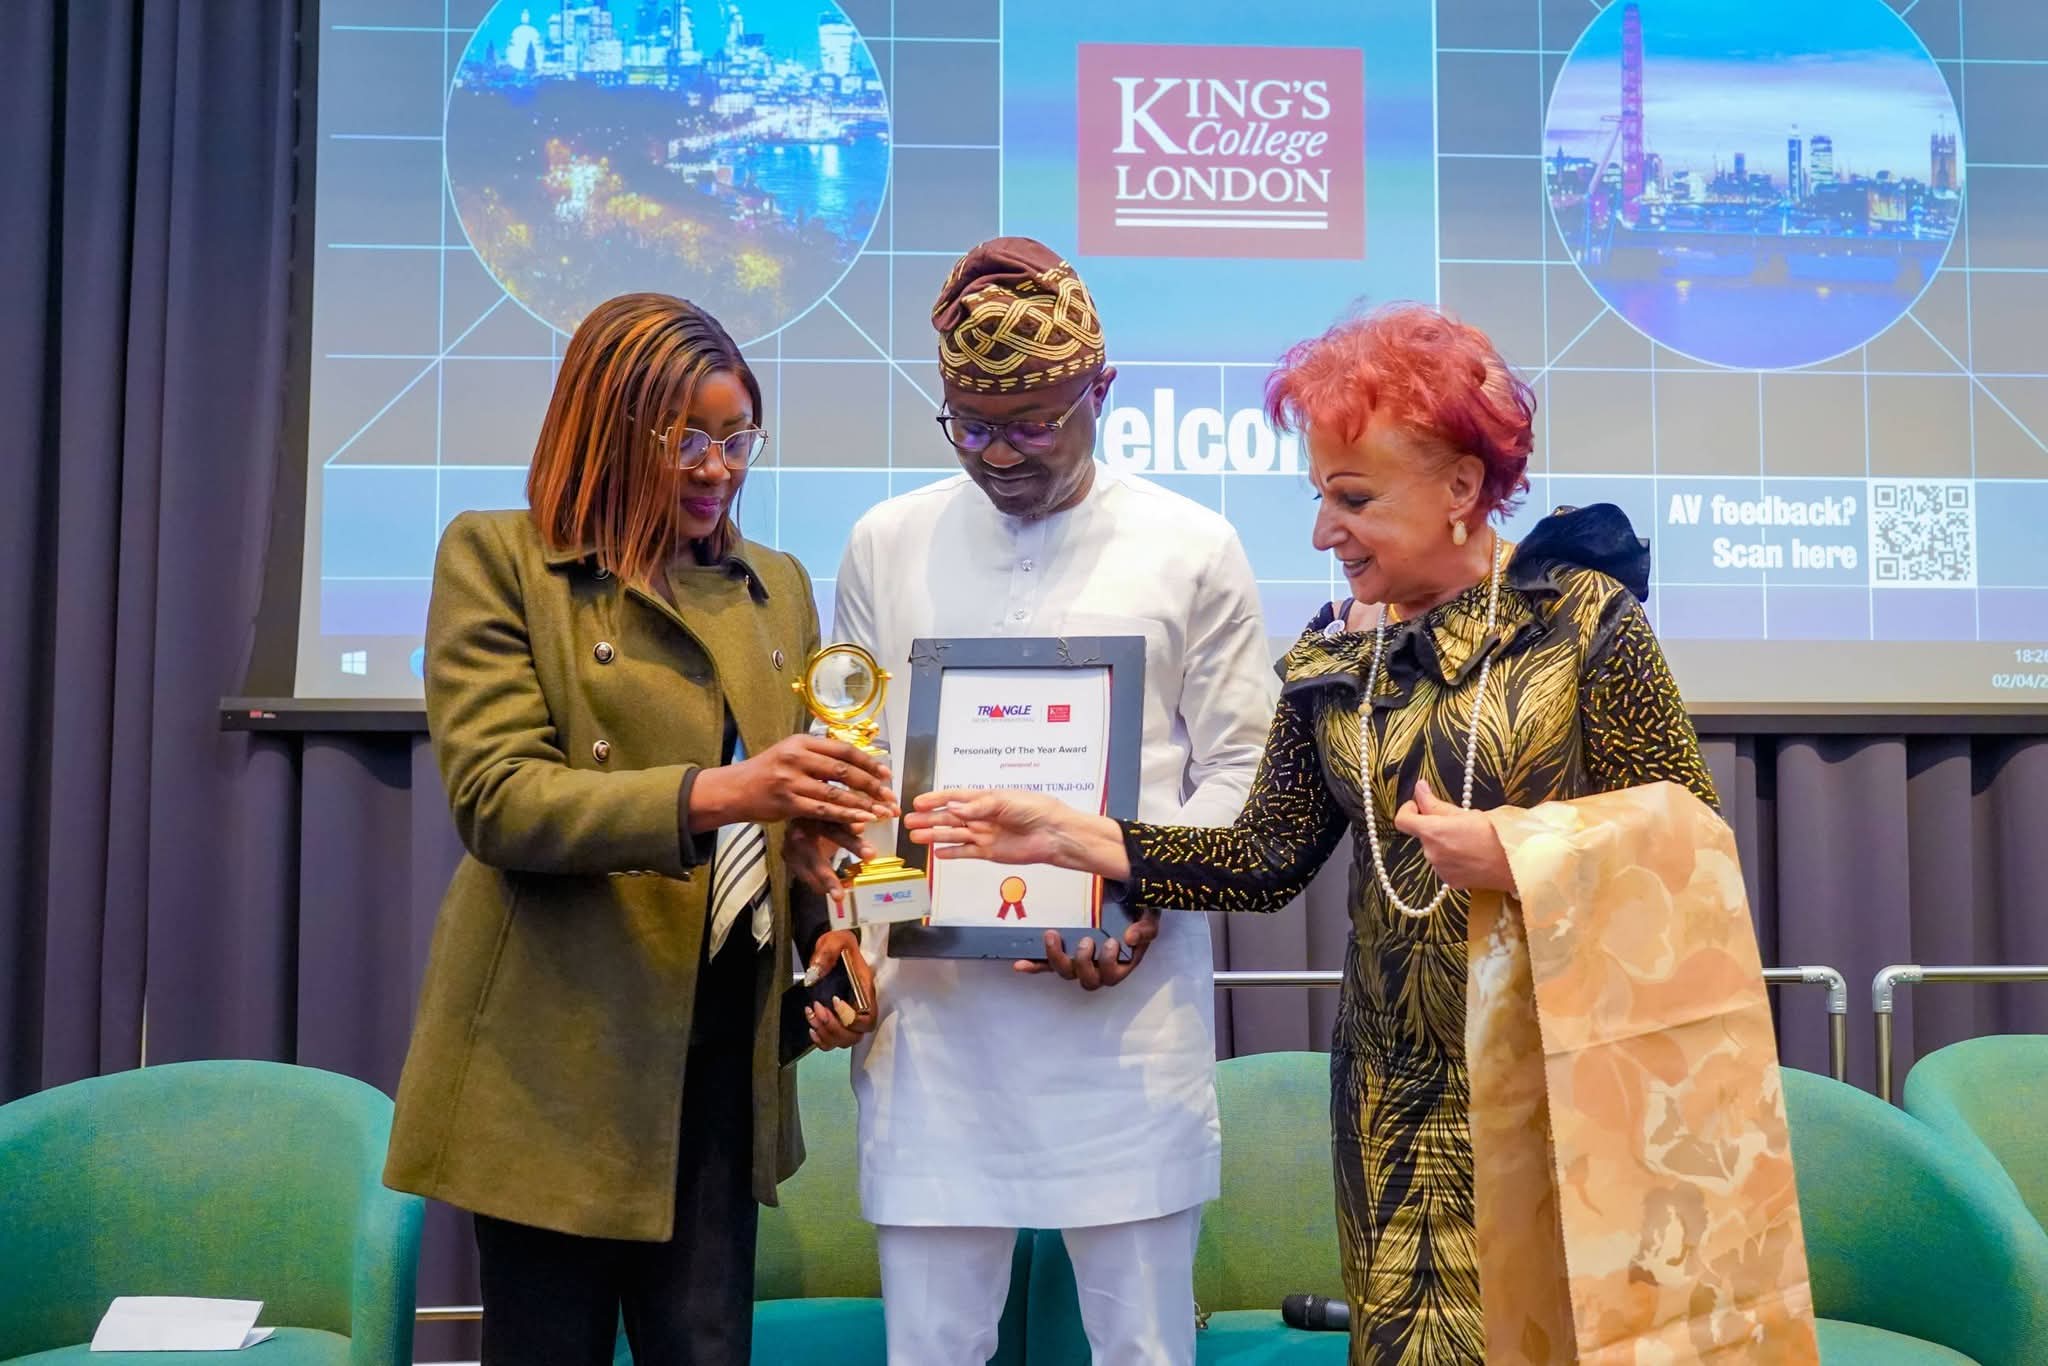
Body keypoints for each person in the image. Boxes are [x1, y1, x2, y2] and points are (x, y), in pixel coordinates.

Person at [904, 303, 1721, 1364]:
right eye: (1319, 496)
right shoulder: (1337, 653)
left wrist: (1521, 853)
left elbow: (1690, 835)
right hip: (1397, 1099)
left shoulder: (1582, 620)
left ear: (1461, 488)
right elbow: (1260, 859)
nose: (1322, 532)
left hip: (1574, 1080)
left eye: (1354, 499)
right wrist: (1071, 834)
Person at [384, 293, 893, 1366]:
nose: (717, 469)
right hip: (556, 1060)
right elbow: (498, 798)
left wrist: (826, 931)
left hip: (723, 1059)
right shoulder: (499, 559)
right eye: (686, 440)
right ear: (608, 429)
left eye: (738, 438)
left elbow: (787, 831)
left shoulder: (776, 587)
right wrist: (728, 790)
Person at [831, 238, 1277, 1365]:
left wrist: (1136, 898)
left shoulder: (1192, 545)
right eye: (969, 425)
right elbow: (856, 773)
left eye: (1030, 424)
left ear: (1100, 390)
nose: (997, 454)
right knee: (930, 1348)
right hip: (933, 1027)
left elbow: (1243, 774)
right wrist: (854, 923)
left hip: (1121, 1018)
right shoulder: (886, 542)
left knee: (1141, 1347)